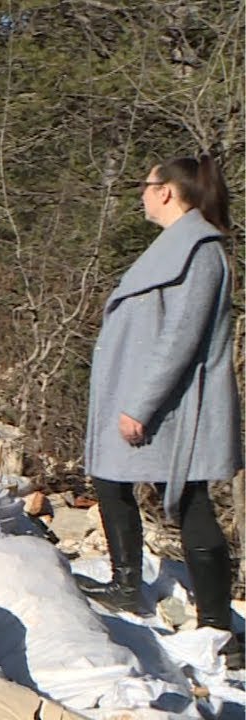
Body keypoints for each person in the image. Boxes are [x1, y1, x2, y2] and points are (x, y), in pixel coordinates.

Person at [79, 152, 243, 670]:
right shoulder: (178, 246)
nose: (142, 194)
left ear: (168, 191)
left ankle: (220, 628)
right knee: (110, 479)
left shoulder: (200, 252)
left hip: (175, 404)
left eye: (147, 185)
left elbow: (179, 339)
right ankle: (126, 583)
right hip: (151, 399)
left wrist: (140, 405)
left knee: (191, 499)